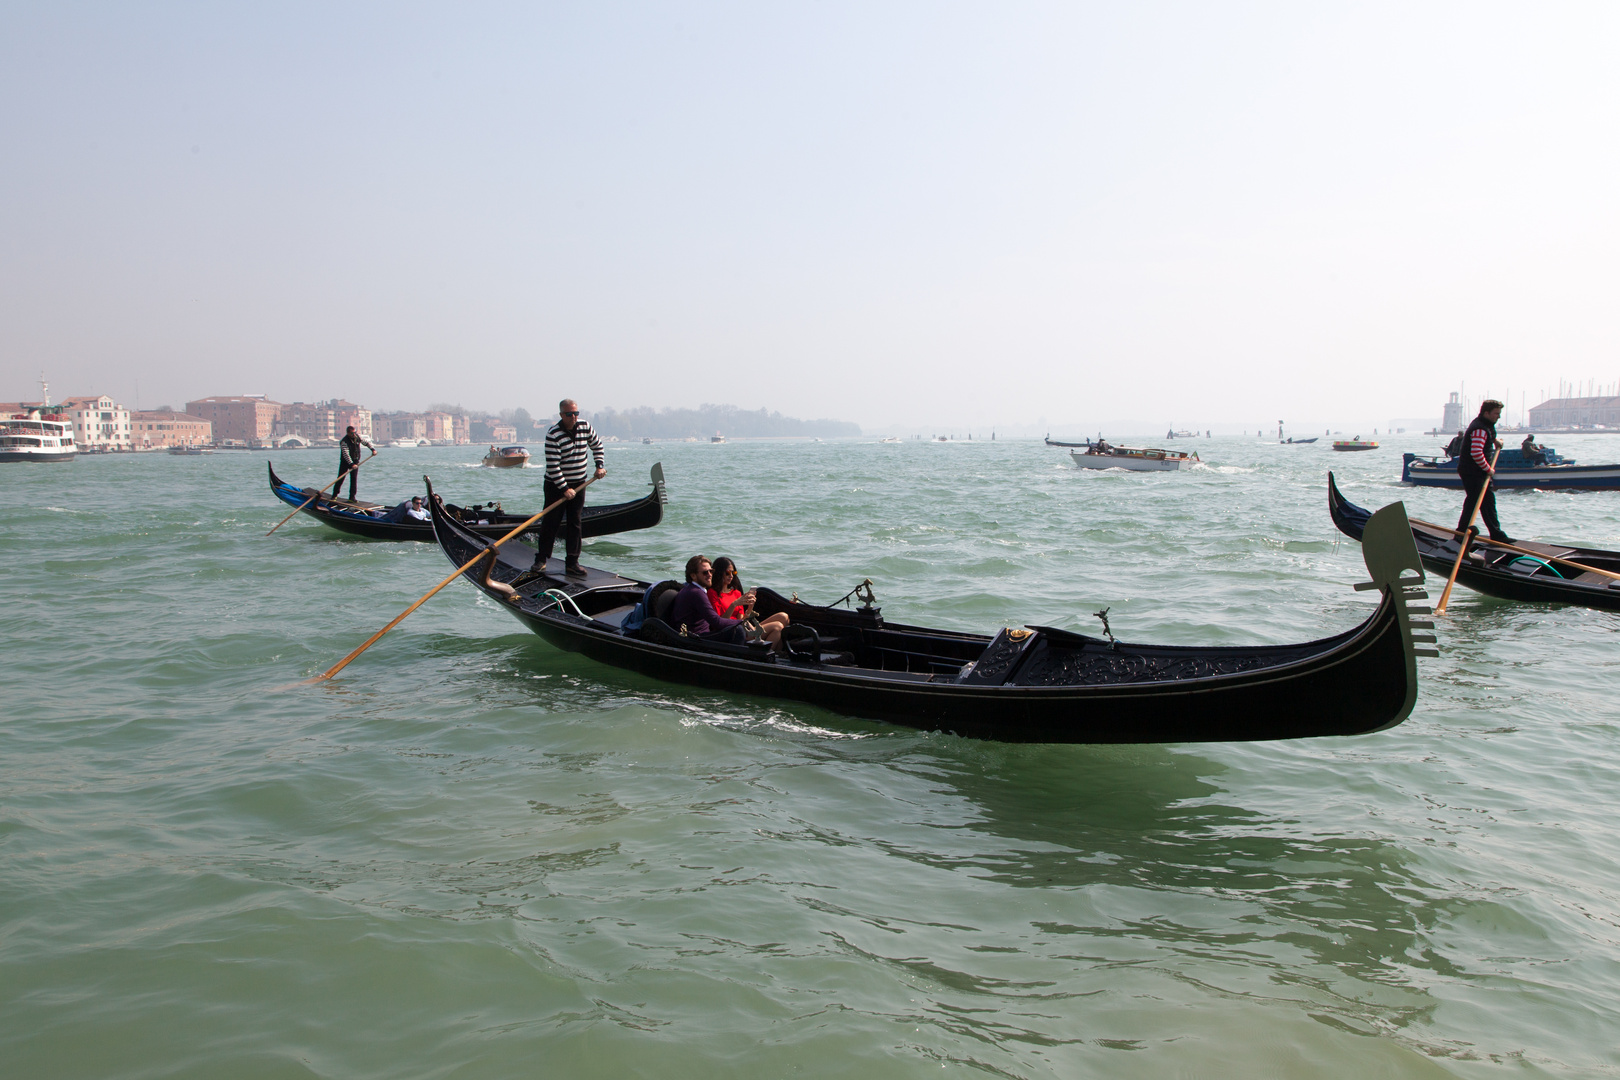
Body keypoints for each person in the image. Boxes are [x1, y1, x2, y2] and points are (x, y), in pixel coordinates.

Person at [533, 399, 606, 577]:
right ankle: (541, 559)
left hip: (579, 483)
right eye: (569, 414)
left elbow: (597, 445)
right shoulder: (553, 434)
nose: (573, 417)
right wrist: (564, 488)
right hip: (555, 485)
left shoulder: (585, 426)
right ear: (561, 415)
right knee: (551, 523)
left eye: (575, 413)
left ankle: (572, 563)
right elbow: (553, 466)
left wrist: (599, 465)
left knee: (575, 523)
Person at [1457, 399, 1514, 546]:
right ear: (1486, 413)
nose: (1498, 417)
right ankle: (1493, 534)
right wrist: (1488, 469)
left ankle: (1463, 533)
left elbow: (1486, 437)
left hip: (1475, 471)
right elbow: (1476, 452)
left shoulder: (1484, 425)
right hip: (1473, 471)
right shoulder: (1480, 428)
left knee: (1478, 502)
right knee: (1482, 501)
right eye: (1496, 413)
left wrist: (1494, 441)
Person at [707, 557, 789, 646]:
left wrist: (750, 607)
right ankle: (767, 655)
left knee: (783, 616)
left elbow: (742, 619)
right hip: (731, 632)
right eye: (727, 573)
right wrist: (734, 604)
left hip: (743, 628)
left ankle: (778, 652)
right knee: (777, 626)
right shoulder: (713, 593)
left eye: (733, 573)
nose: (731, 576)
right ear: (719, 573)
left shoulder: (736, 593)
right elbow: (720, 622)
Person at [669, 556, 748, 644]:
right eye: (705, 572)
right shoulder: (696, 593)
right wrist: (741, 622)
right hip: (695, 639)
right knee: (737, 630)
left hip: (702, 635)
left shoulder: (695, 590)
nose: (710, 575)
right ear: (693, 576)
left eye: (711, 571)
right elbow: (716, 622)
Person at [334, 425, 374, 502]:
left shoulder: (357, 437)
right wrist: (351, 464)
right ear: (348, 433)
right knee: (340, 478)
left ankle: (352, 497)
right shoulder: (344, 441)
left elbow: (366, 443)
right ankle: (334, 495)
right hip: (345, 462)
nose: (354, 434)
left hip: (355, 461)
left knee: (354, 479)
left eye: (355, 432)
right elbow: (346, 454)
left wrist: (372, 449)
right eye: (352, 433)